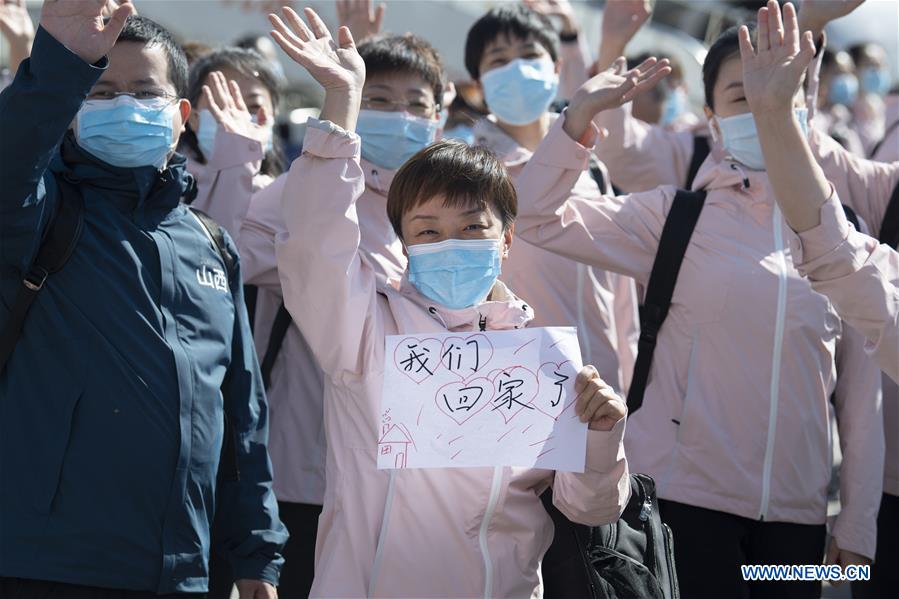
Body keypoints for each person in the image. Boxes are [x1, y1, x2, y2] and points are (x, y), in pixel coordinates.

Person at [510, 2, 885, 596]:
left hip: (798, 519)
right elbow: (532, 218)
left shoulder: (845, 237)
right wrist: (575, 117)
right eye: (742, 94)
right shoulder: (675, 218)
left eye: (779, 89)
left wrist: (857, 523)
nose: (763, 106)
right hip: (685, 508)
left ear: (805, 103)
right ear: (711, 118)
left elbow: (862, 403)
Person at [267, 7, 631, 597]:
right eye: (428, 231)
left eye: (472, 228)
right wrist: (340, 103)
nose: (450, 244)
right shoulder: (362, 329)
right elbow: (313, 243)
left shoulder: (541, 360)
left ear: (506, 240)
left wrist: (602, 436)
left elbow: (589, 507)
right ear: (403, 242)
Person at [0, 2, 287, 597]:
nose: (125, 105)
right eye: (101, 92)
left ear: (181, 116)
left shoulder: (213, 244)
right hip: (48, 564)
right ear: (72, 110)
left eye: (145, 92)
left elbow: (242, 415)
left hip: (183, 571)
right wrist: (59, 64)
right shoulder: (40, 213)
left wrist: (257, 551)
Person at [196, 28, 446, 597]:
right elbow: (222, 257)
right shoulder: (302, 192)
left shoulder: (446, 207)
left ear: (439, 115)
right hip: (307, 476)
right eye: (379, 99)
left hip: (412, 482)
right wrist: (234, 165)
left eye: (416, 103)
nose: (399, 116)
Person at [464, 3, 640, 395]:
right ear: (478, 83)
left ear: (557, 68)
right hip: (515, 394)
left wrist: (629, 386)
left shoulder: (591, 168)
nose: (517, 69)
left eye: (530, 55)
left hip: (605, 391)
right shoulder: (466, 176)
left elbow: (620, 293)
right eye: (499, 60)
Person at [179, 47, 284, 240]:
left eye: (253, 106)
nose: (239, 117)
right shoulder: (170, 192)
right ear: (193, 118)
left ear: (274, 114)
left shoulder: (291, 197)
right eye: (222, 105)